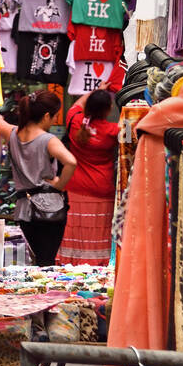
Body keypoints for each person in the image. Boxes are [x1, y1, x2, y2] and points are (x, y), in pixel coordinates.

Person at [0, 89, 77, 266]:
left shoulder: (12, 134)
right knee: (47, 260)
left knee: (31, 261)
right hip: (49, 210)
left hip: (24, 209)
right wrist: (59, 184)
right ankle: (46, 292)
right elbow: (71, 162)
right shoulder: (48, 139)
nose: (54, 121)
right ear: (46, 116)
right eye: (54, 117)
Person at [56, 89, 118, 265]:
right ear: (108, 109)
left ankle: (70, 264)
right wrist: (128, 118)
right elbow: (129, 141)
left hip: (74, 188)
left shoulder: (75, 121)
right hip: (101, 190)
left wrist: (97, 89)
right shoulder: (113, 130)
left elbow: (76, 105)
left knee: (74, 231)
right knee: (99, 232)